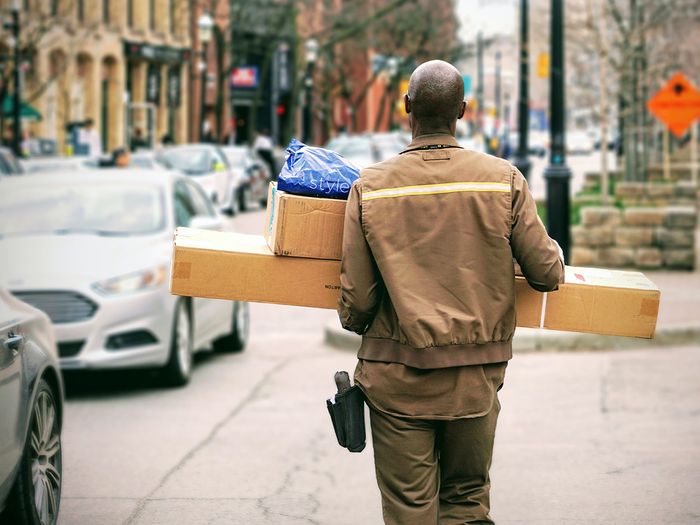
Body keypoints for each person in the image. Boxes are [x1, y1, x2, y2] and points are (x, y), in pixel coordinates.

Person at [337, 60, 564, 525]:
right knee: (465, 501)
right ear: (462, 109)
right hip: (474, 381)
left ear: (406, 109)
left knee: (410, 508)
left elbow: (356, 302)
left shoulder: (371, 187)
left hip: (395, 380)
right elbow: (546, 273)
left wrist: (363, 323)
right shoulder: (504, 180)